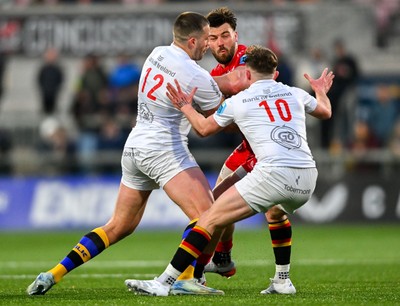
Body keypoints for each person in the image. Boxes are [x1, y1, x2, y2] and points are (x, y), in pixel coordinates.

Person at [27, 11, 226, 296]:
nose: (208, 44)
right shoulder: (196, 75)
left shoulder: (156, 54)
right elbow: (218, 117)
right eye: (206, 39)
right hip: (164, 149)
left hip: (134, 146)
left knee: (118, 225)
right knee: (208, 216)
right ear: (192, 41)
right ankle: (183, 278)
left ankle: (53, 273)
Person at [125, 45, 334, 296]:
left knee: (209, 218)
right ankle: (282, 280)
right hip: (307, 177)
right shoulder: (296, 93)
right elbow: (325, 111)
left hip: (273, 173)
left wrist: (185, 106)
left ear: (246, 73)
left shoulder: (239, 101)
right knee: (276, 214)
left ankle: (164, 283)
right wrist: (321, 91)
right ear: (275, 74)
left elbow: (203, 129)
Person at [201, 8, 299, 290]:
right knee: (216, 200)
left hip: (272, 148)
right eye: (213, 37)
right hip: (248, 146)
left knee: (274, 213)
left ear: (236, 36)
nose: (220, 42)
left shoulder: (248, 61)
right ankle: (222, 257)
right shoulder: (216, 71)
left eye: (225, 36)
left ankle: (283, 277)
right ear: (206, 42)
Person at [37, 47, 64, 116]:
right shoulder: (43, 69)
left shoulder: (58, 69)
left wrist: (56, 88)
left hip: (54, 93)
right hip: (45, 93)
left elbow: (60, 80)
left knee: (54, 110)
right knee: (45, 110)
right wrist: (43, 89)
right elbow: (39, 80)